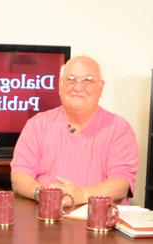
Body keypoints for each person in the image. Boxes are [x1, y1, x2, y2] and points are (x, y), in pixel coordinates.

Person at [10, 55, 139, 205]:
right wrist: (43, 194)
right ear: (60, 85)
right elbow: (19, 176)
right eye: (71, 79)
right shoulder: (37, 125)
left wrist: (81, 195)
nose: (78, 87)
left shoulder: (119, 128)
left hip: (100, 221)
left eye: (88, 80)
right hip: (46, 216)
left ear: (101, 87)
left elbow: (121, 183)